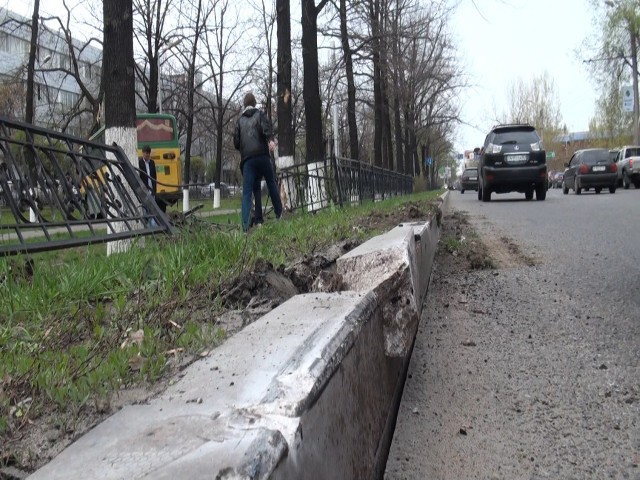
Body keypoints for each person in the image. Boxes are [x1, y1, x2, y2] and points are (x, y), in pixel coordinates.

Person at [233, 92, 283, 232]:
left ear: (244, 105)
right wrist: (270, 140)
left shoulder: (239, 121)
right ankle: (279, 214)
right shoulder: (260, 115)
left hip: (248, 160)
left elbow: (236, 142)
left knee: (249, 191)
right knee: (271, 183)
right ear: (254, 103)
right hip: (262, 156)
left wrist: (244, 148)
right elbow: (266, 129)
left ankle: (245, 226)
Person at [138, 144, 158, 227]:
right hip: (144, 191)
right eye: (145, 153)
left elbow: (154, 176)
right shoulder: (140, 163)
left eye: (148, 153)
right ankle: (147, 227)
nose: (147, 155)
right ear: (142, 153)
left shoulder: (152, 163)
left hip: (152, 190)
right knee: (145, 210)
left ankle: (153, 227)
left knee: (152, 209)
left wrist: (155, 189)